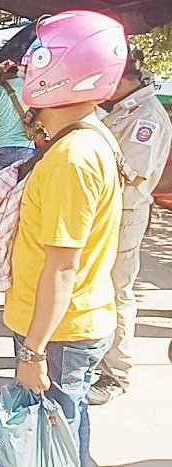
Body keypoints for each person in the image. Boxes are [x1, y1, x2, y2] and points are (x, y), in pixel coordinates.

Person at [4, 11, 129, 465]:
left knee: (55, 437)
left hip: (59, 331)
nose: (26, 71)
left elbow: (62, 265)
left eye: (36, 59)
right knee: (67, 427)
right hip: (72, 323)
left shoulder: (71, 158)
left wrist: (32, 351)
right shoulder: (92, 136)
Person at [88, 52, 172, 405]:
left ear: (122, 80)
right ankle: (94, 357)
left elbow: (131, 176)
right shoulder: (120, 108)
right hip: (102, 210)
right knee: (96, 287)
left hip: (123, 212)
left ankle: (115, 372)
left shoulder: (146, 117)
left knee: (117, 291)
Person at [0, 62, 34, 179]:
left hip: (1, 149)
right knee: (21, 193)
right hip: (26, 148)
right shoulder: (29, 89)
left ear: (0, 71)